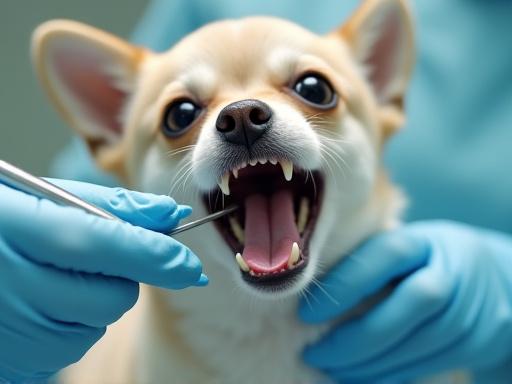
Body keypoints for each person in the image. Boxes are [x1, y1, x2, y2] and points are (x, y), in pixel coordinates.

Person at [1, 0, 512, 382]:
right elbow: (69, 218)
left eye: (313, 90)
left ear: (378, 95)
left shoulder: (438, 345)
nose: (242, 114)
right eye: (181, 115)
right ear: (116, 137)